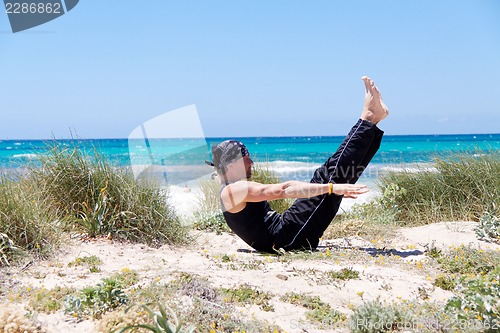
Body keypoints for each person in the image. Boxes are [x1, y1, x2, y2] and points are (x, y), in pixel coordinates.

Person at [207, 76, 389, 253]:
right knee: (328, 178)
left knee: (326, 178)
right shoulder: (232, 191)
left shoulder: (230, 188)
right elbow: (283, 190)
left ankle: (372, 121)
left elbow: (284, 190)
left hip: (285, 233)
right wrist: (332, 188)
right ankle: (368, 118)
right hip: (285, 239)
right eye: (247, 159)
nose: (252, 163)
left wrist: (332, 188)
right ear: (231, 166)